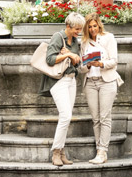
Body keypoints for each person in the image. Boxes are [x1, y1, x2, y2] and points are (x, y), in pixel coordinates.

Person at [38, 12, 83, 166]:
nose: (79, 32)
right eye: (76, 29)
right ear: (68, 26)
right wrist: (68, 55)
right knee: (65, 116)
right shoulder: (58, 37)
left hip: (71, 80)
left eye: (80, 29)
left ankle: (62, 151)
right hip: (59, 81)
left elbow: (76, 62)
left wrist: (72, 56)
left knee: (67, 118)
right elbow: (50, 59)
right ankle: (56, 152)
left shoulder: (75, 41)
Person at [80, 13, 122, 165]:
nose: (92, 29)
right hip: (90, 81)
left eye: (94, 26)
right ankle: (99, 150)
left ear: (99, 25)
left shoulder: (109, 38)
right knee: (95, 119)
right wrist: (88, 65)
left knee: (105, 117)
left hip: (107, 81)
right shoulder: (84, 43)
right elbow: (81, 68)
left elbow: (114, 61)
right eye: (89, 27)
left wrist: (101, 64)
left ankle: (102, 151)